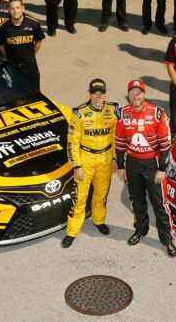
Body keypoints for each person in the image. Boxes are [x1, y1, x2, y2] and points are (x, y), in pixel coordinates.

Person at [115, 79, 176, 258]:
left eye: (139, 92)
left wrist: (162, 169)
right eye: (132, 93)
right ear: (129, 95)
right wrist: (121, 166)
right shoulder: (122, 114)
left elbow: (165, 145)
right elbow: (119, 142)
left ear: (144, 94)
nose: (136, 95)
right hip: (132, 163)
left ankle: (167, 239)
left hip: (153, 164)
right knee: (136, 200)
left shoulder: (157, 113)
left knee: (160, 204)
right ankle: (140, 230)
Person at [61, 78, 118, 248]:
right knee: (79, 197)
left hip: (106, 158)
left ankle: (99, 221)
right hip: (86, 159)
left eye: (101, 93)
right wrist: (76, 166)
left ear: (105, 94)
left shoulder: (113, 109)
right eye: (95, 93)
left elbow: (116, 136)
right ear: (89, 93)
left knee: (102, 194)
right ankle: (72, 232)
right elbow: (72, 142)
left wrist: (115, 158)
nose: (98, 96)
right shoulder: (78, 113)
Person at [0, 0, 45, 90]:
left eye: (18, 7)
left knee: (34, 91)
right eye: (12, 8)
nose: (15, 11)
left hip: (30, 65)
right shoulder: (2, 27)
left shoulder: (33, 24)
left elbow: (38, 41)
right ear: (8, 10)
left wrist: (31, 54)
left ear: (23, 8)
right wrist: (9, 58)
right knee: (16, 92)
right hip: (12, 66)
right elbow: (1, 46)